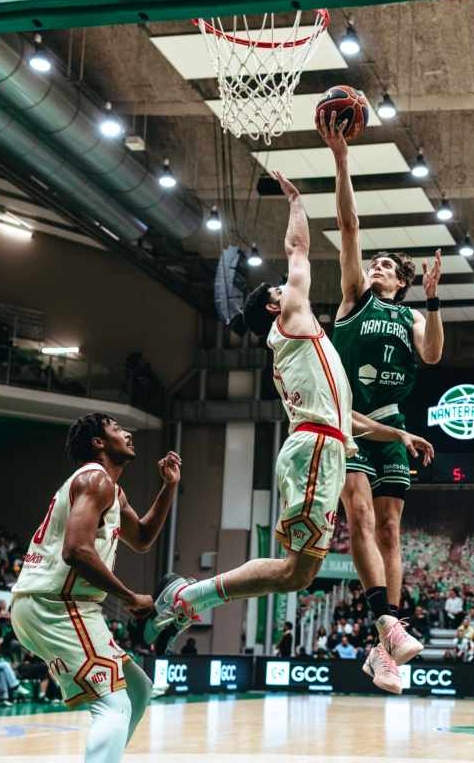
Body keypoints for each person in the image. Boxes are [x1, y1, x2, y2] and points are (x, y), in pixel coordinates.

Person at [138, 169, 433, 699]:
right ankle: (386, 628)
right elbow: (299, 248)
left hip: (324, 442)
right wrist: (296, 201)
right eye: (279, 288)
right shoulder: (293, 317)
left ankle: (186, 599)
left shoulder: (309, 344)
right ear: (276, 305)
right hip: (318, 449)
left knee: (296, 574)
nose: (288, 284)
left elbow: (349, 416)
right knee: (329, 546)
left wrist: (396, 434)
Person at [10, 411, 179, 763]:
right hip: (58, 603)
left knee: (137, 689)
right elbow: (76, 550)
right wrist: (130, 598)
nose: (128, 432)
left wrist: (168, 488)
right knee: (113, 705)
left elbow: (142, 538)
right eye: (116, 428)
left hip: (58, 604)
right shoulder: (95, 479)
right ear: (98, 442)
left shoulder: (110, 488)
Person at [316, 109, 443, 689]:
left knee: (391, 531)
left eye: (387, 265)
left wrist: (434, 302)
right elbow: (349, 226)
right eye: (376, 262)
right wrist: (342, 159)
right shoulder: (354, 298)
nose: (376, 265)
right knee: (361, 517)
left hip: (393, 423)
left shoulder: (412, 315)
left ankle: (382, 648)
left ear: (403, 282)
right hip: (350, 422)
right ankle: (386, 628)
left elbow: (433, 355)